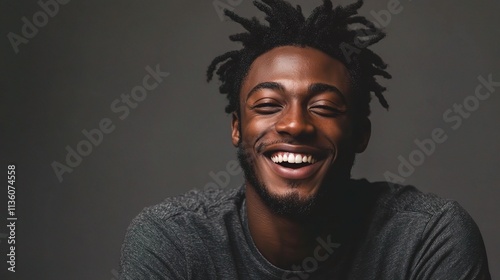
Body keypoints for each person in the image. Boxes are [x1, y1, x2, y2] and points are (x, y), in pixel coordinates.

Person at [119, 0, 491, 279]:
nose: (295, 124)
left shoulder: (427, 240)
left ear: (360, 133)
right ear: (237, 128)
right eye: (267, 104)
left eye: (325, 107)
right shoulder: (173, 244)